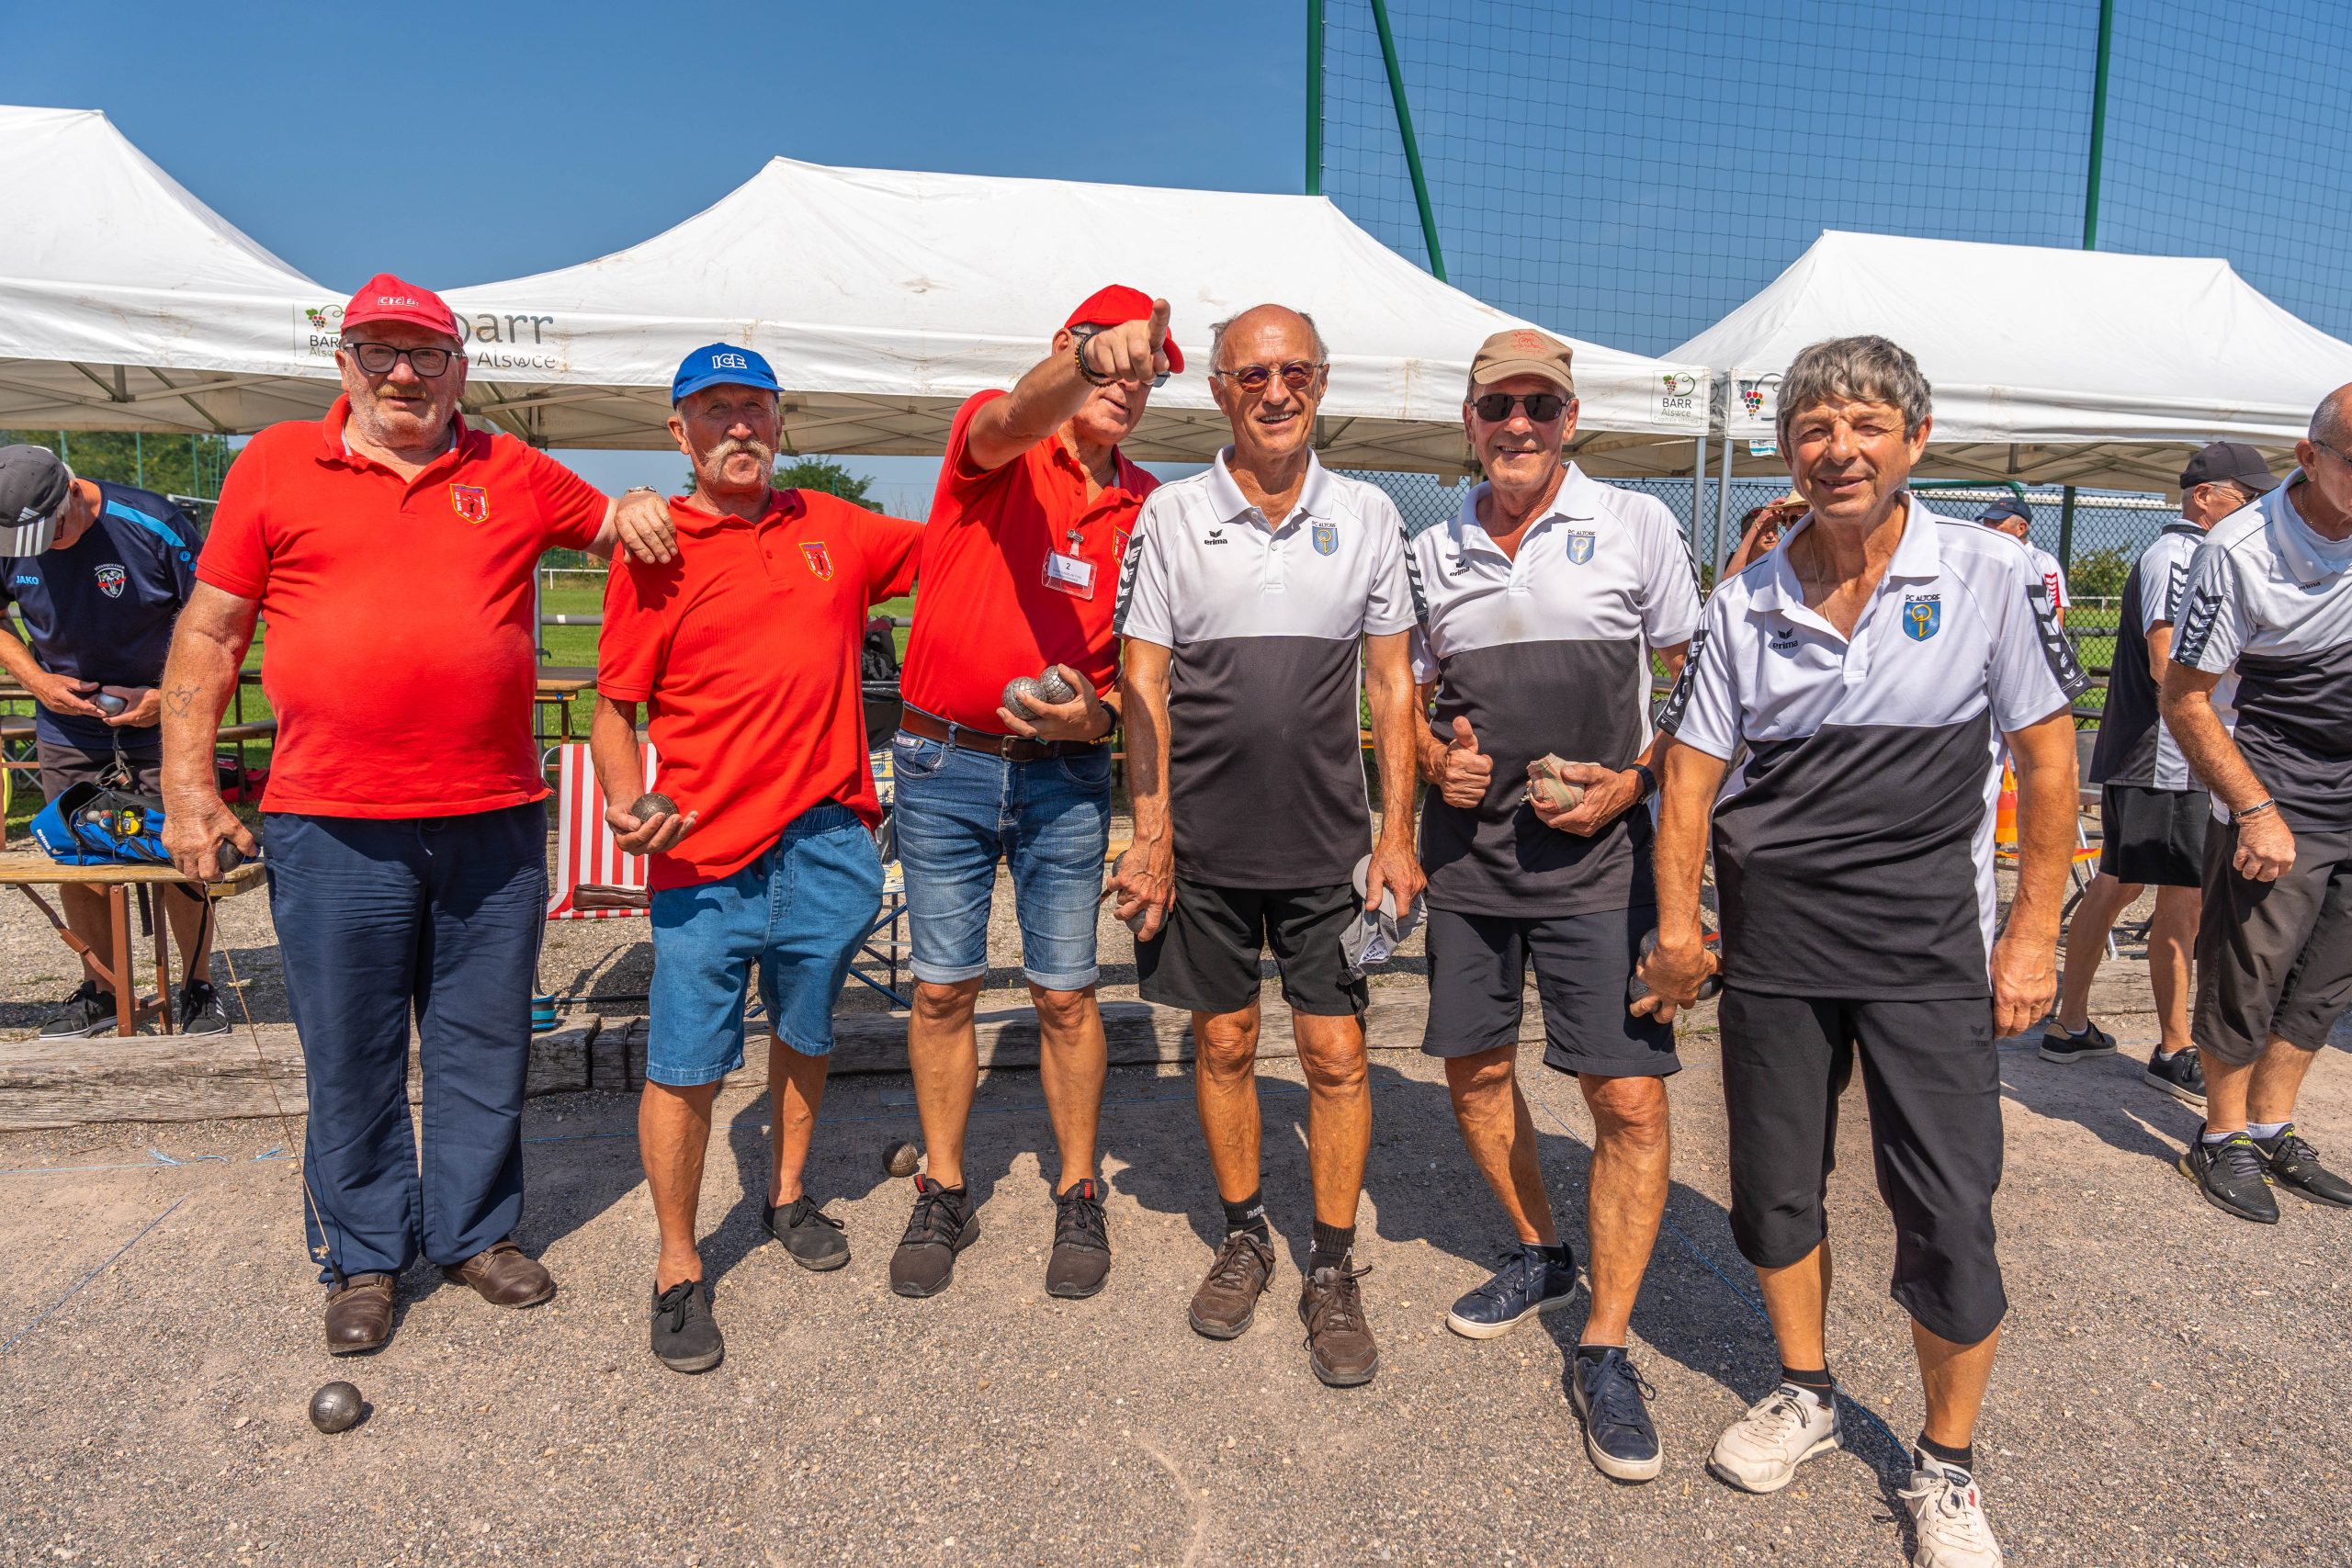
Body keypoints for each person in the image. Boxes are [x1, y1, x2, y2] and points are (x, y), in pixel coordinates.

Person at [158, 274, 664, 1356]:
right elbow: (209, 634)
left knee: (483, 1044)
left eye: (426, 354)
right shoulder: (275, 463)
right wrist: (188, 791)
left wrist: (644, 508)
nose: (403, 373)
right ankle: (366, 1257)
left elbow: (613, 530)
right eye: (380, 352)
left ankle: (475, 1234)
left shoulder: (509, 468)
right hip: (331, 823)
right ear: (343, 364)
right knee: (352, 1053)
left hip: (489, 821)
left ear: (459, 371)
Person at [1644, 335, 2084, 1565]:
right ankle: (1806, 1390)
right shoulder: (1746, 599)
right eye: (1816, 427)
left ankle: (1947, 1464)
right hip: (1777, 950)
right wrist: (1680, 925)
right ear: (1789, 450)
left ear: (1914, 441)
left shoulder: (1993, 576)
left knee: (1949, 1210)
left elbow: (2050, 762)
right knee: (1775, 1191)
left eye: (1867, 423)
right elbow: (1688, 777)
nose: (1840, 448)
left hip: (1929, 951)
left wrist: (2037, 932)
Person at [1403, 328, 1699, 1480]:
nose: (1516, 424)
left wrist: (1635, 778)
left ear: (1570, 417)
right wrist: (1433, 759)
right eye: (1495, 408)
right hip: (1472, 861)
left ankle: (1607, 1345)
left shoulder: (1635, 524)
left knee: (1623, 1095)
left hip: (1602, 857)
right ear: (1468, 424)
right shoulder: (1432, 549)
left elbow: (1698, 674)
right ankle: (1541, 1247)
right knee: (1475, 1072)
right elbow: (1404, 699)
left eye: (1539, 405)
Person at [593, 344, 921, 1372]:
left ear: (782, 424)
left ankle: (785, 1197)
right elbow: (613, 710)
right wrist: (618, 799)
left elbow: (960, 539)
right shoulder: (653, 548)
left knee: (809, 1030)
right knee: (686, 1064)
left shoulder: (836, 527)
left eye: (756, 408)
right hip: (705, 848)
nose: (739, 425)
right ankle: (679, 1265)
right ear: (678, 430)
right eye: (715, 409)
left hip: (825, 840)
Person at [1114, 303, 1424, 1388]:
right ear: (1218, 391)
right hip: (1202, 845)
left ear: (1323, 382)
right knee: (1225, 1045)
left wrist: (1398, 836)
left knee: (1337, 1055)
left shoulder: (1369, 512)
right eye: (1252, 375)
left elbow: (1391, 685)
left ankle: (1332, 1266)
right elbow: (1142, 680)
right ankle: (1244, 1232)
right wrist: (1150, 839)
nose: (1275, 391)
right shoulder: (1169, 513)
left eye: (1294, 371)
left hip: (1326, 849)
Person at [879, 287, 1179, 1303]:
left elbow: (1135, 679)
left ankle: (1079, 1188)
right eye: (1116, 366)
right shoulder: (998, 440)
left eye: (1146, 374)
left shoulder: (1147, 505)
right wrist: (1093, 359)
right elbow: (1013, 414)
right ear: (1070, 351)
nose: (1130, 387)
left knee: (1064, 993)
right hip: (943, 762)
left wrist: (1088, 720)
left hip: (1064, 774)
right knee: (942, 986)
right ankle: (944, 1182)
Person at [2162, 387, 2352, 1224]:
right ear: (2311, 458)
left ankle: (2273, 1125)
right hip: (2279, 788)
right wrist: (2254, 809)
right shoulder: (2239, 549)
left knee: (2325, 979)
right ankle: (2221, 1132)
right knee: (2248, 970)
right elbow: (2187, 699)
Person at [2045, 442, 2279, 1105]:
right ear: (2205, 497)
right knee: (2172, 896)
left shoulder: (2185, 553)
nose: (2256, 508)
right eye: (2246, 495)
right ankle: (2172, 1045)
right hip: (2165, 755)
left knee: (2126, 885)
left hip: (2160, 756)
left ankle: (2073, 1023)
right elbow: (2166, 658)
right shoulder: (2180, 554)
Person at [0, 445, 224, 1034]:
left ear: (73, 490)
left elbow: (215, 620)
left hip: (165, 714)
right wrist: (38, 682)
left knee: (181, 850)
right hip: (67, 722)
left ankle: (199, 986)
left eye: (50, 533)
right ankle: (101, 989)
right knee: (79, 852)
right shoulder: (7, 528)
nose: (41, 550)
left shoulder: (151, 523)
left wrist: (167, 700)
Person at [1977, 495, 2069, 625]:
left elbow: (2056, 611)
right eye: (1986, 523)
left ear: (2021, 528)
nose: (1988, 529)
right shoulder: (1985, 561)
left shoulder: (2042, 562)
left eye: (1996, 524)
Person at [1723, 492, 1805, 579]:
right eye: (1762, 530)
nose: (1770, 535)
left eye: (1774, 528)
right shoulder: (1728, 563)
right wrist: (1759, 523)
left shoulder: (1787, 557)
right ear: (1745, 536)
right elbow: (1728, 583)